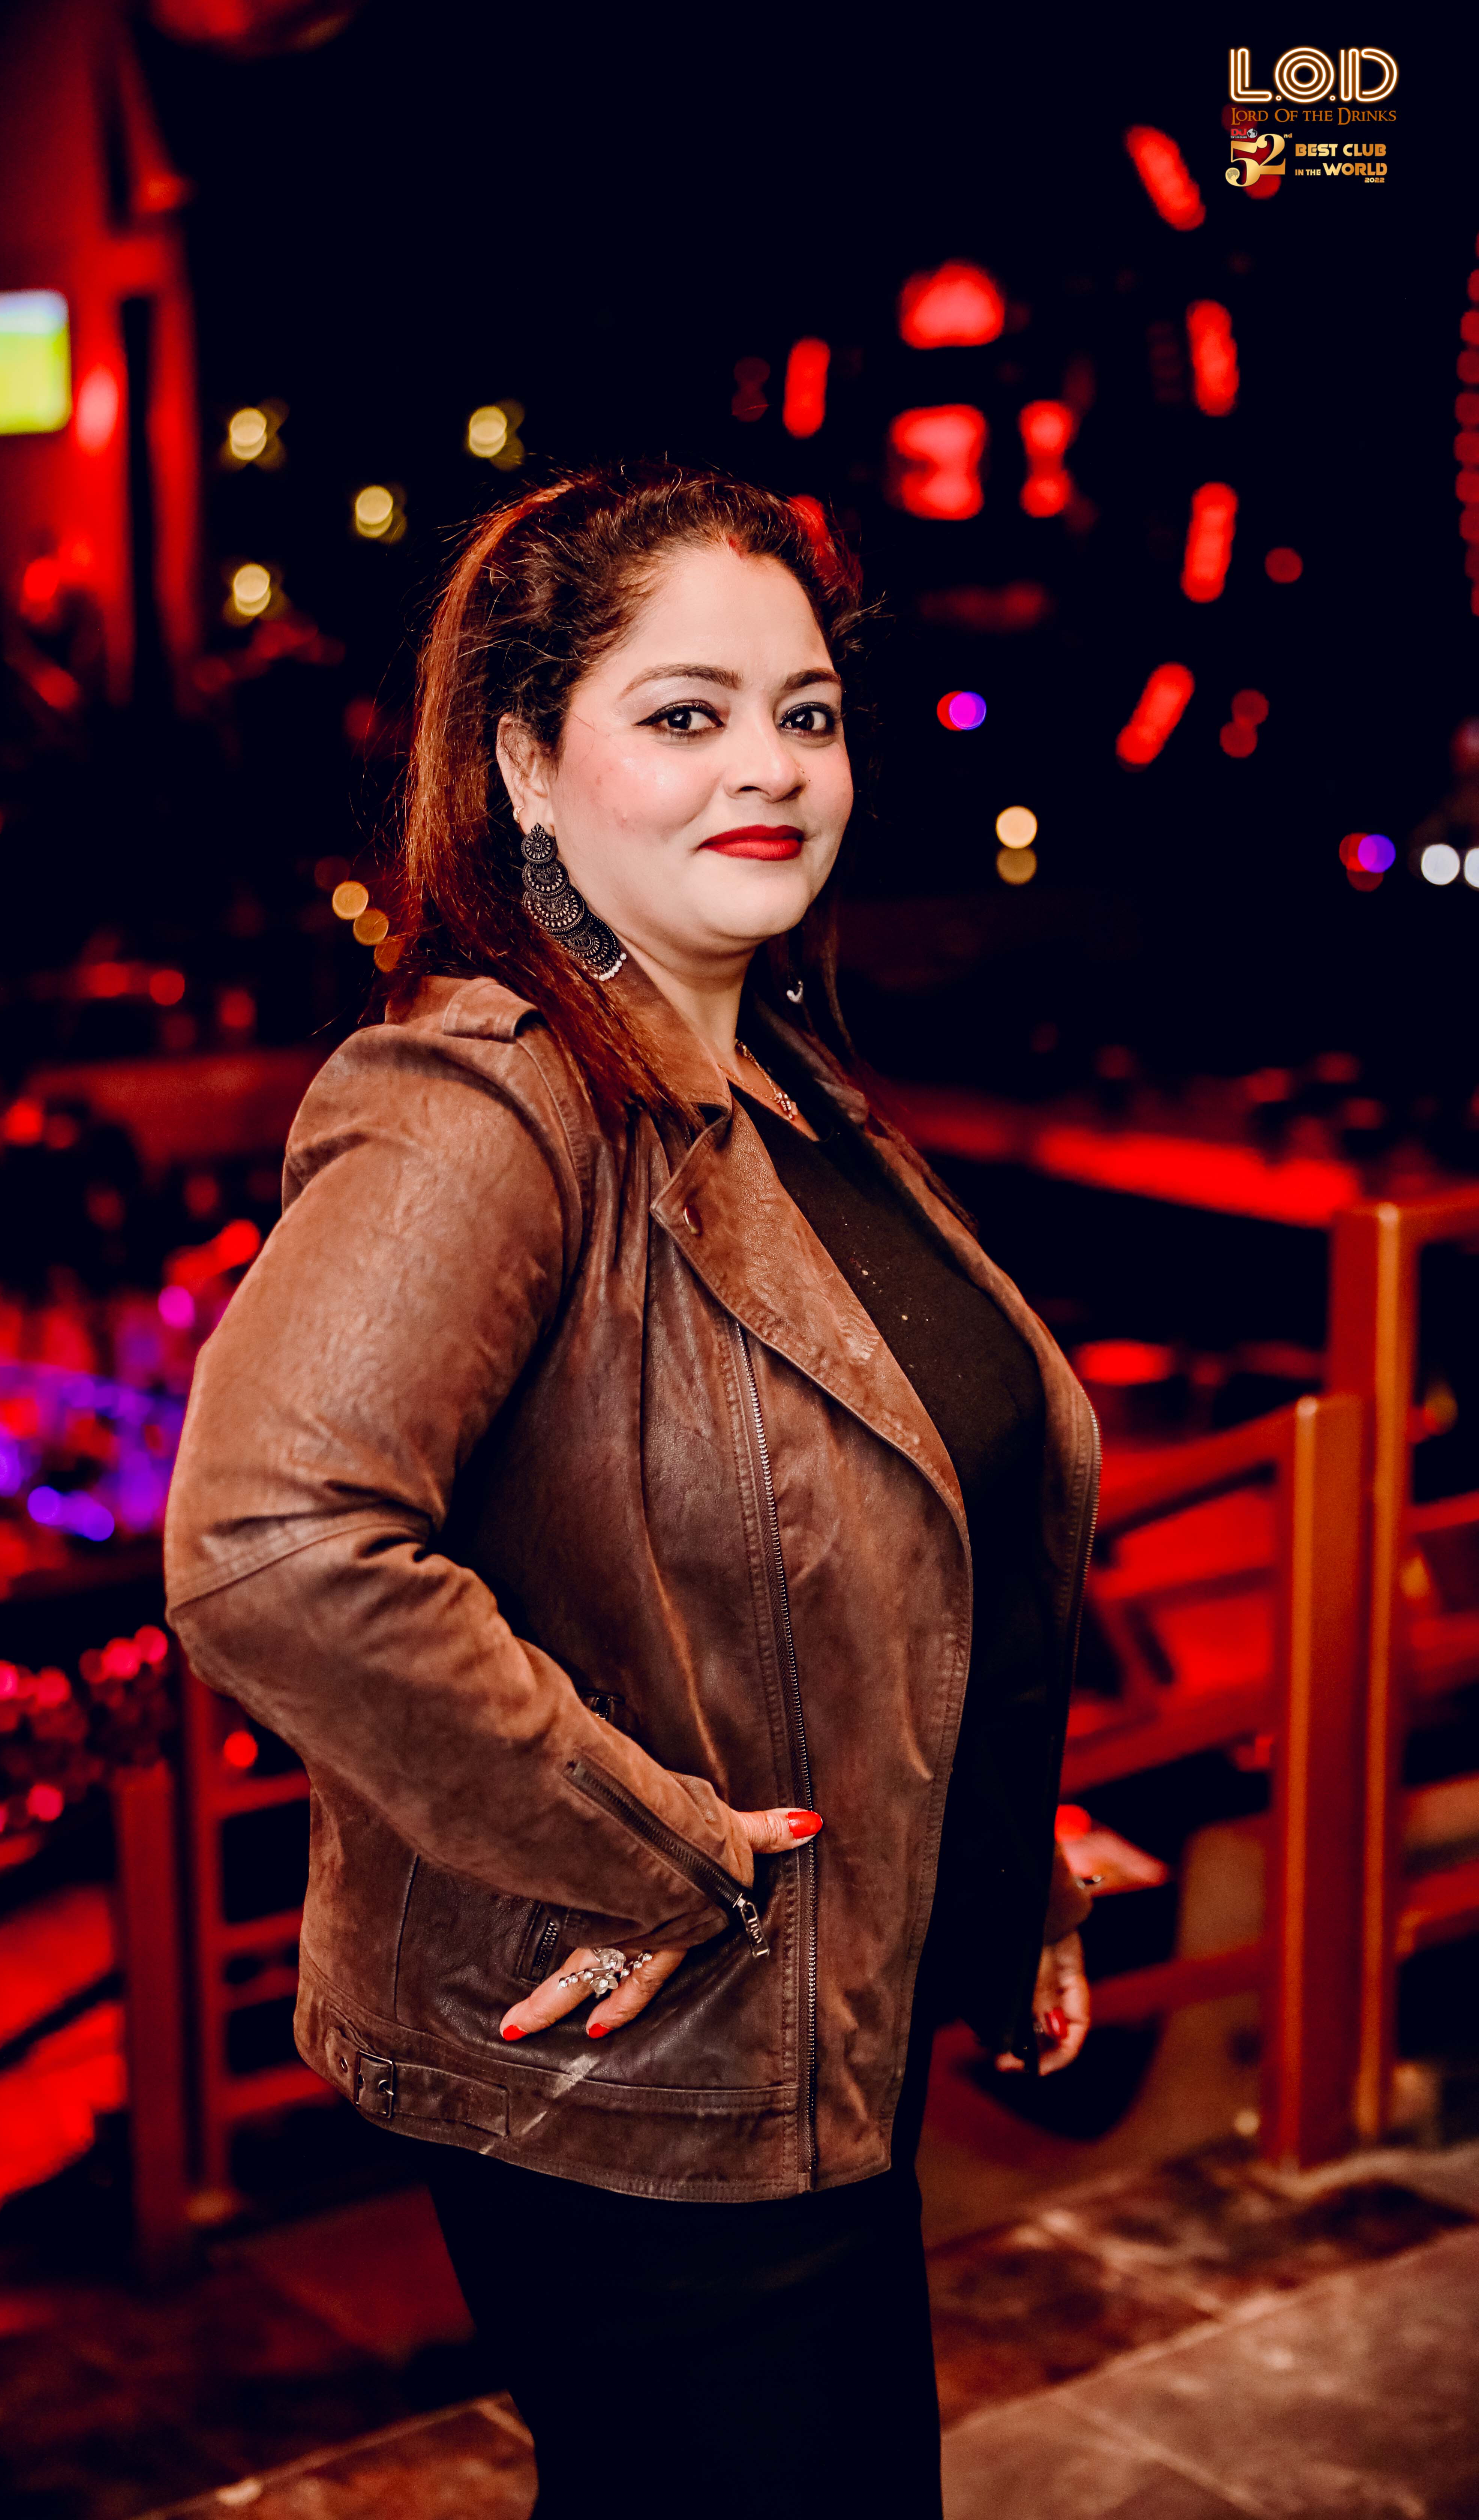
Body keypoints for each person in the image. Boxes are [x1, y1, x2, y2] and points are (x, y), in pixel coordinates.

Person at [164, 463, 1098, 2517]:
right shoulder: (486, 1093)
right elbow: (271, 1547)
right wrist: (659, 1854)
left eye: (805, 713)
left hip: (809, 2046)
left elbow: (845, 1543)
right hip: (645, 2082)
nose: (768, 766)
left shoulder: (783, 1085)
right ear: (524, 761)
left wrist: (994, 1846)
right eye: (685, 714)